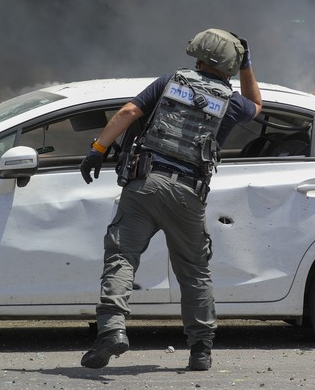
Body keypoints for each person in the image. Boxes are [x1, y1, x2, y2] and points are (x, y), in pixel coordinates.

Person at [78, 28, 262, 371]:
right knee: (193, 272)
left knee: (121, 257)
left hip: (143, 185)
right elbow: (257, 104)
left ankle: (112, 332)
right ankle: (201, 350)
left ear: (199, 57)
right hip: (187, 195)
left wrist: (97, 150)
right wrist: (248, 65)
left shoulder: (169, 82)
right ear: (230, 67)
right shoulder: (232, 103)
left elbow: (128, 113)